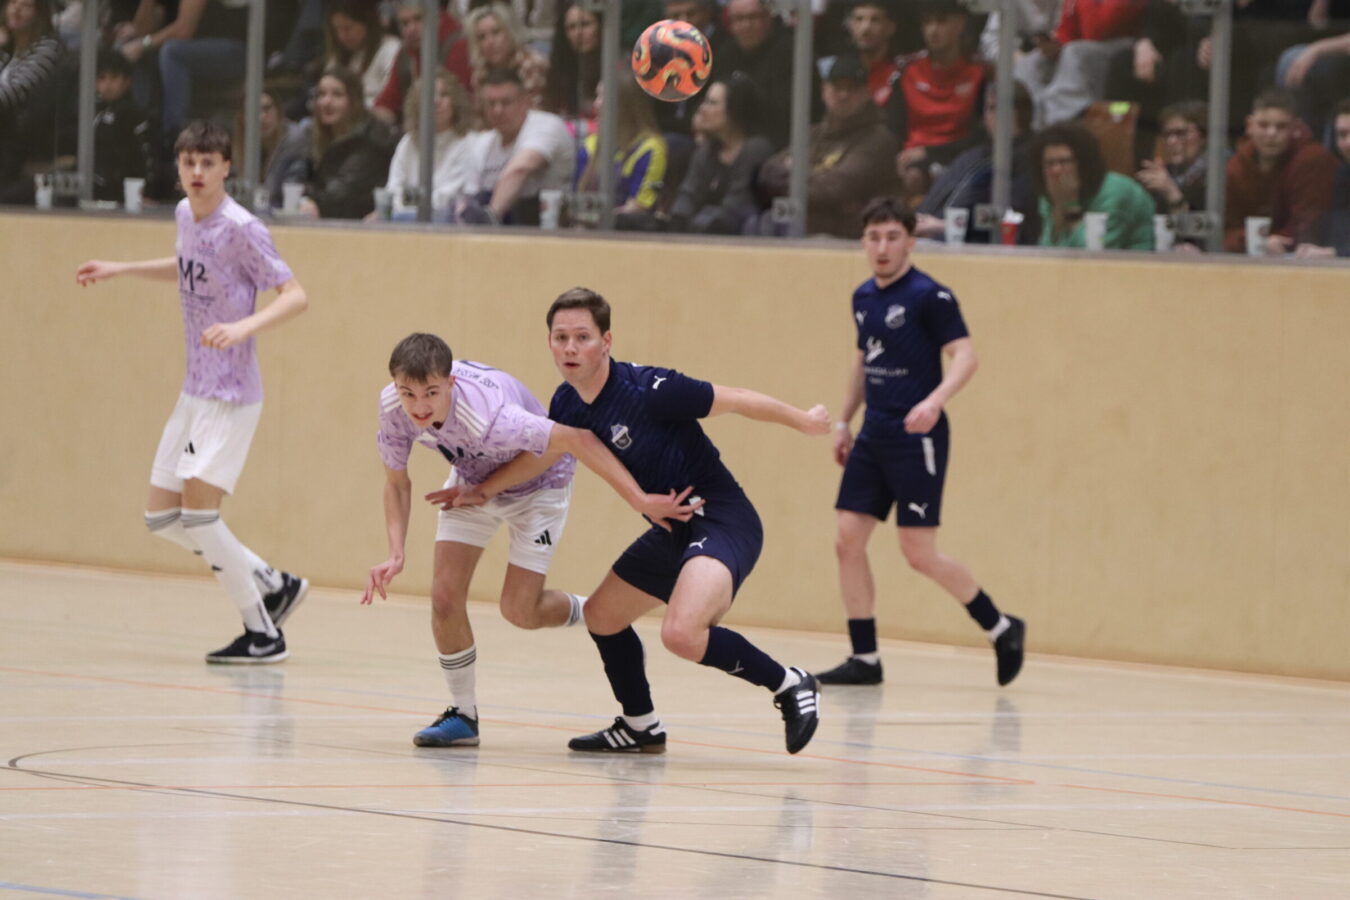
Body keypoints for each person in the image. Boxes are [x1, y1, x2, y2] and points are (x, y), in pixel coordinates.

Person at [452, 288, 830, 755]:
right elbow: (545, 453)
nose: (570, 348)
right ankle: (640, 725)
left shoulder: (651, 390)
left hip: (721, 520)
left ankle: (790, 683)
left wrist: (804, 421)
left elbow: (736, 399)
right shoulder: (567, 403)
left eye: (582, 337)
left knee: (681, 634)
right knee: (602, 617)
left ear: (606, 341)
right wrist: (484, 489)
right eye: (560, 337)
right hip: (671, 531)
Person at [363, 332, 702, 747]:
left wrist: (639, 499)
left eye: (431, 393)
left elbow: (575, 440)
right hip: (471, 481)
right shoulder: (392, 407)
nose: (419, 407)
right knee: (444, 597)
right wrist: (396, 553)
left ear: (451, 383)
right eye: (408, 393)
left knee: (520, 612)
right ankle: (463, 715)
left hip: (539, 486)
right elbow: (396, 483)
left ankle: (598, 613)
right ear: (395, 385)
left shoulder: (493, 418)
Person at [74, 121, 310, 664]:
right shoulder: (185, 214)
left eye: (208, 162)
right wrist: (121, 268)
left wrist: (243, 327)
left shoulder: (243, 227)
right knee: (162, 517)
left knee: (201, 517)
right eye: (189, 163)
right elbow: (189, 269)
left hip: (231, 393)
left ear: (227, 167)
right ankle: (273, 582)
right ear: (179, 168)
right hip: (195, 388)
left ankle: (263, 633)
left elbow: (295, 295)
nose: (198, 172)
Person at [817, 197, 1025, 688]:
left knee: (918, 553)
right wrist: (844, 421)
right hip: (873, 435)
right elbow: (862, 362)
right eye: (873, 238)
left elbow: (966, 356)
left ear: (910, 241)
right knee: (847, 541)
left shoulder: (931, 296)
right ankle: (865, 658)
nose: (882, 247)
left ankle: (1000, 626)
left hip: (918, 438)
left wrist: (935, 401)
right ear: (863, 242)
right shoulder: (863, 297)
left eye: (892, 237)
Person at [756, 53, 901, 238]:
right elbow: (768, 172)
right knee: (764, 219)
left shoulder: (879, 139)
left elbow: (836, 189)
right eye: (837, 87)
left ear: (866, 93)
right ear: (824, 91)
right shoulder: (813, 133)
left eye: (852, 89)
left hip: (853, 236)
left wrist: (797, 172)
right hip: (811, 221)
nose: (843, 95)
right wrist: (810, 178)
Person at [887, 0, 987, 201]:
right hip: (913, 160)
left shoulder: (979, 74)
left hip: (960, 157)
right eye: (927, 22)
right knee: (909, 177)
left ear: (960, 24)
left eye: (941, 22)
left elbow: (982, 134)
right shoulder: (907, 73)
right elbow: (894, 128)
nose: (932, 30)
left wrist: (931, 152)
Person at [1223, 88, 1338, 255]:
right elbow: (1225, 228)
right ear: (1249, 125)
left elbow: (1308, 226)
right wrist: (1253, 240)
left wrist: (1262, 241)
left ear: (1296, 127)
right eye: (1263, 125)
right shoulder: (1236, 166)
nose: (1271, 133)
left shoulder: (1313, 160)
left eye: (1281, 126)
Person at [459, 67, 574, 226]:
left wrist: (490, 217)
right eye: (491, 104)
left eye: (506, 102)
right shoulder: (481, 143)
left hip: (545, 229)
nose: (498, 110)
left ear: (524, 102)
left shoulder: (546, 125)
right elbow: (470, 198)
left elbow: (520, 169)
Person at [666, 75, 774, 234]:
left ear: (734, 110)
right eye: (704, 102)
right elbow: (688, 195)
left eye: (712, 103)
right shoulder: (707, 151)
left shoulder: (756, 149)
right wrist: (677, 220)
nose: (702, 109)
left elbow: (737, 205)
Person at [1030, 120, 1155, 250]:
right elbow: (1048, 249)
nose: (1056, 170)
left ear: (1084, 163)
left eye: (1065, 161)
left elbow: (1094, 253)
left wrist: (1071, 207)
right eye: (1050, 163)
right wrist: (1058, 209)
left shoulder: (1115, 192)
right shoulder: (1051, 193)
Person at [298, 65, 396, 220]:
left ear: (354, 100)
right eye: (321, 94)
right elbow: (298, 181)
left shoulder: (371, 141)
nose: (326, 102)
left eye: (337, 95)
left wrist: (307, 197)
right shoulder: (316, 137)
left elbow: (339, 198)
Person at [376, 69, 476, 221]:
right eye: (430, 95)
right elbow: (393, 189)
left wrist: (408, 200)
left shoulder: (468, 142)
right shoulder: (409, 142)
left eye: (444, 95)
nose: (437, 101)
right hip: (402, 221)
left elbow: (447, 198)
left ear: (455, 101)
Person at [573, 76, 667, 229]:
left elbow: (637, 208)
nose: (596, 104)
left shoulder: (649, 148)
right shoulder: (590, 145)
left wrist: (592, 219)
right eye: (597, 96)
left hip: (628, 234)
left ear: (626, 105)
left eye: (603, 97)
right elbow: (577, 199)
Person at [0, 0, 65, 205]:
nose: (16, 9)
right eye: (12, 2)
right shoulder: (8, 48)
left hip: (25, 137)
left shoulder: (48, 46)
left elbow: (14, 93)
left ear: (39, 13)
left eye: (26, 5)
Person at [372, 0, 473, 129]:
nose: (411, 29)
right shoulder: (406, 54)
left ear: (437, 16)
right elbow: (386, 104)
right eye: (405, 23)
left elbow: (460, 106)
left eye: (418, 19)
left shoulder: (457, 45)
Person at [465, 2, 548, 124]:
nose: (490, 42)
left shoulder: (532, 65)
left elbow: (536, 117)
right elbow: (480, 120)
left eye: (496, 32)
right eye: (482, 37)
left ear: (510, 32)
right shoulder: (480, 73)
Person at [92, 49, 154, 204]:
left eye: (113, 78)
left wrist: (147, 190)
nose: (107, 84)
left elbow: (146, 157)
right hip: (94, 187)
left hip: (124, 190)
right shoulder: (90, 113)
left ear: (127, 81)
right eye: (101, 78)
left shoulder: (135, 116)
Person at [322, 0, 403, 110]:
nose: (342, 35)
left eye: (348, 28)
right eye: (337, 30)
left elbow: (389, 101)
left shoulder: (390, 49)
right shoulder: (338, 57)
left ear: (367, 23)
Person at [1296, 97, 1350, 258]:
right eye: (1342, 134)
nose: (1348, 143)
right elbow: (1337, 233)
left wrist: (1335, 253)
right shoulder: (1343, 175)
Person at [1134, 100, 1208, 217]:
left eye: (1181, 133)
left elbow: (1202, 225)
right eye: (1166, 134)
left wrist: (1171, 192)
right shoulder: (1169, 173)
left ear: (1204, 136)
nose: (1171, 141)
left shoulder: (1219, 174)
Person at [540, 0, 600, 121]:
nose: (578, 33)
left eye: (585, 24)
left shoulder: (617, 66)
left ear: (600, 26)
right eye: (571, 27)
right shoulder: (559, 69)